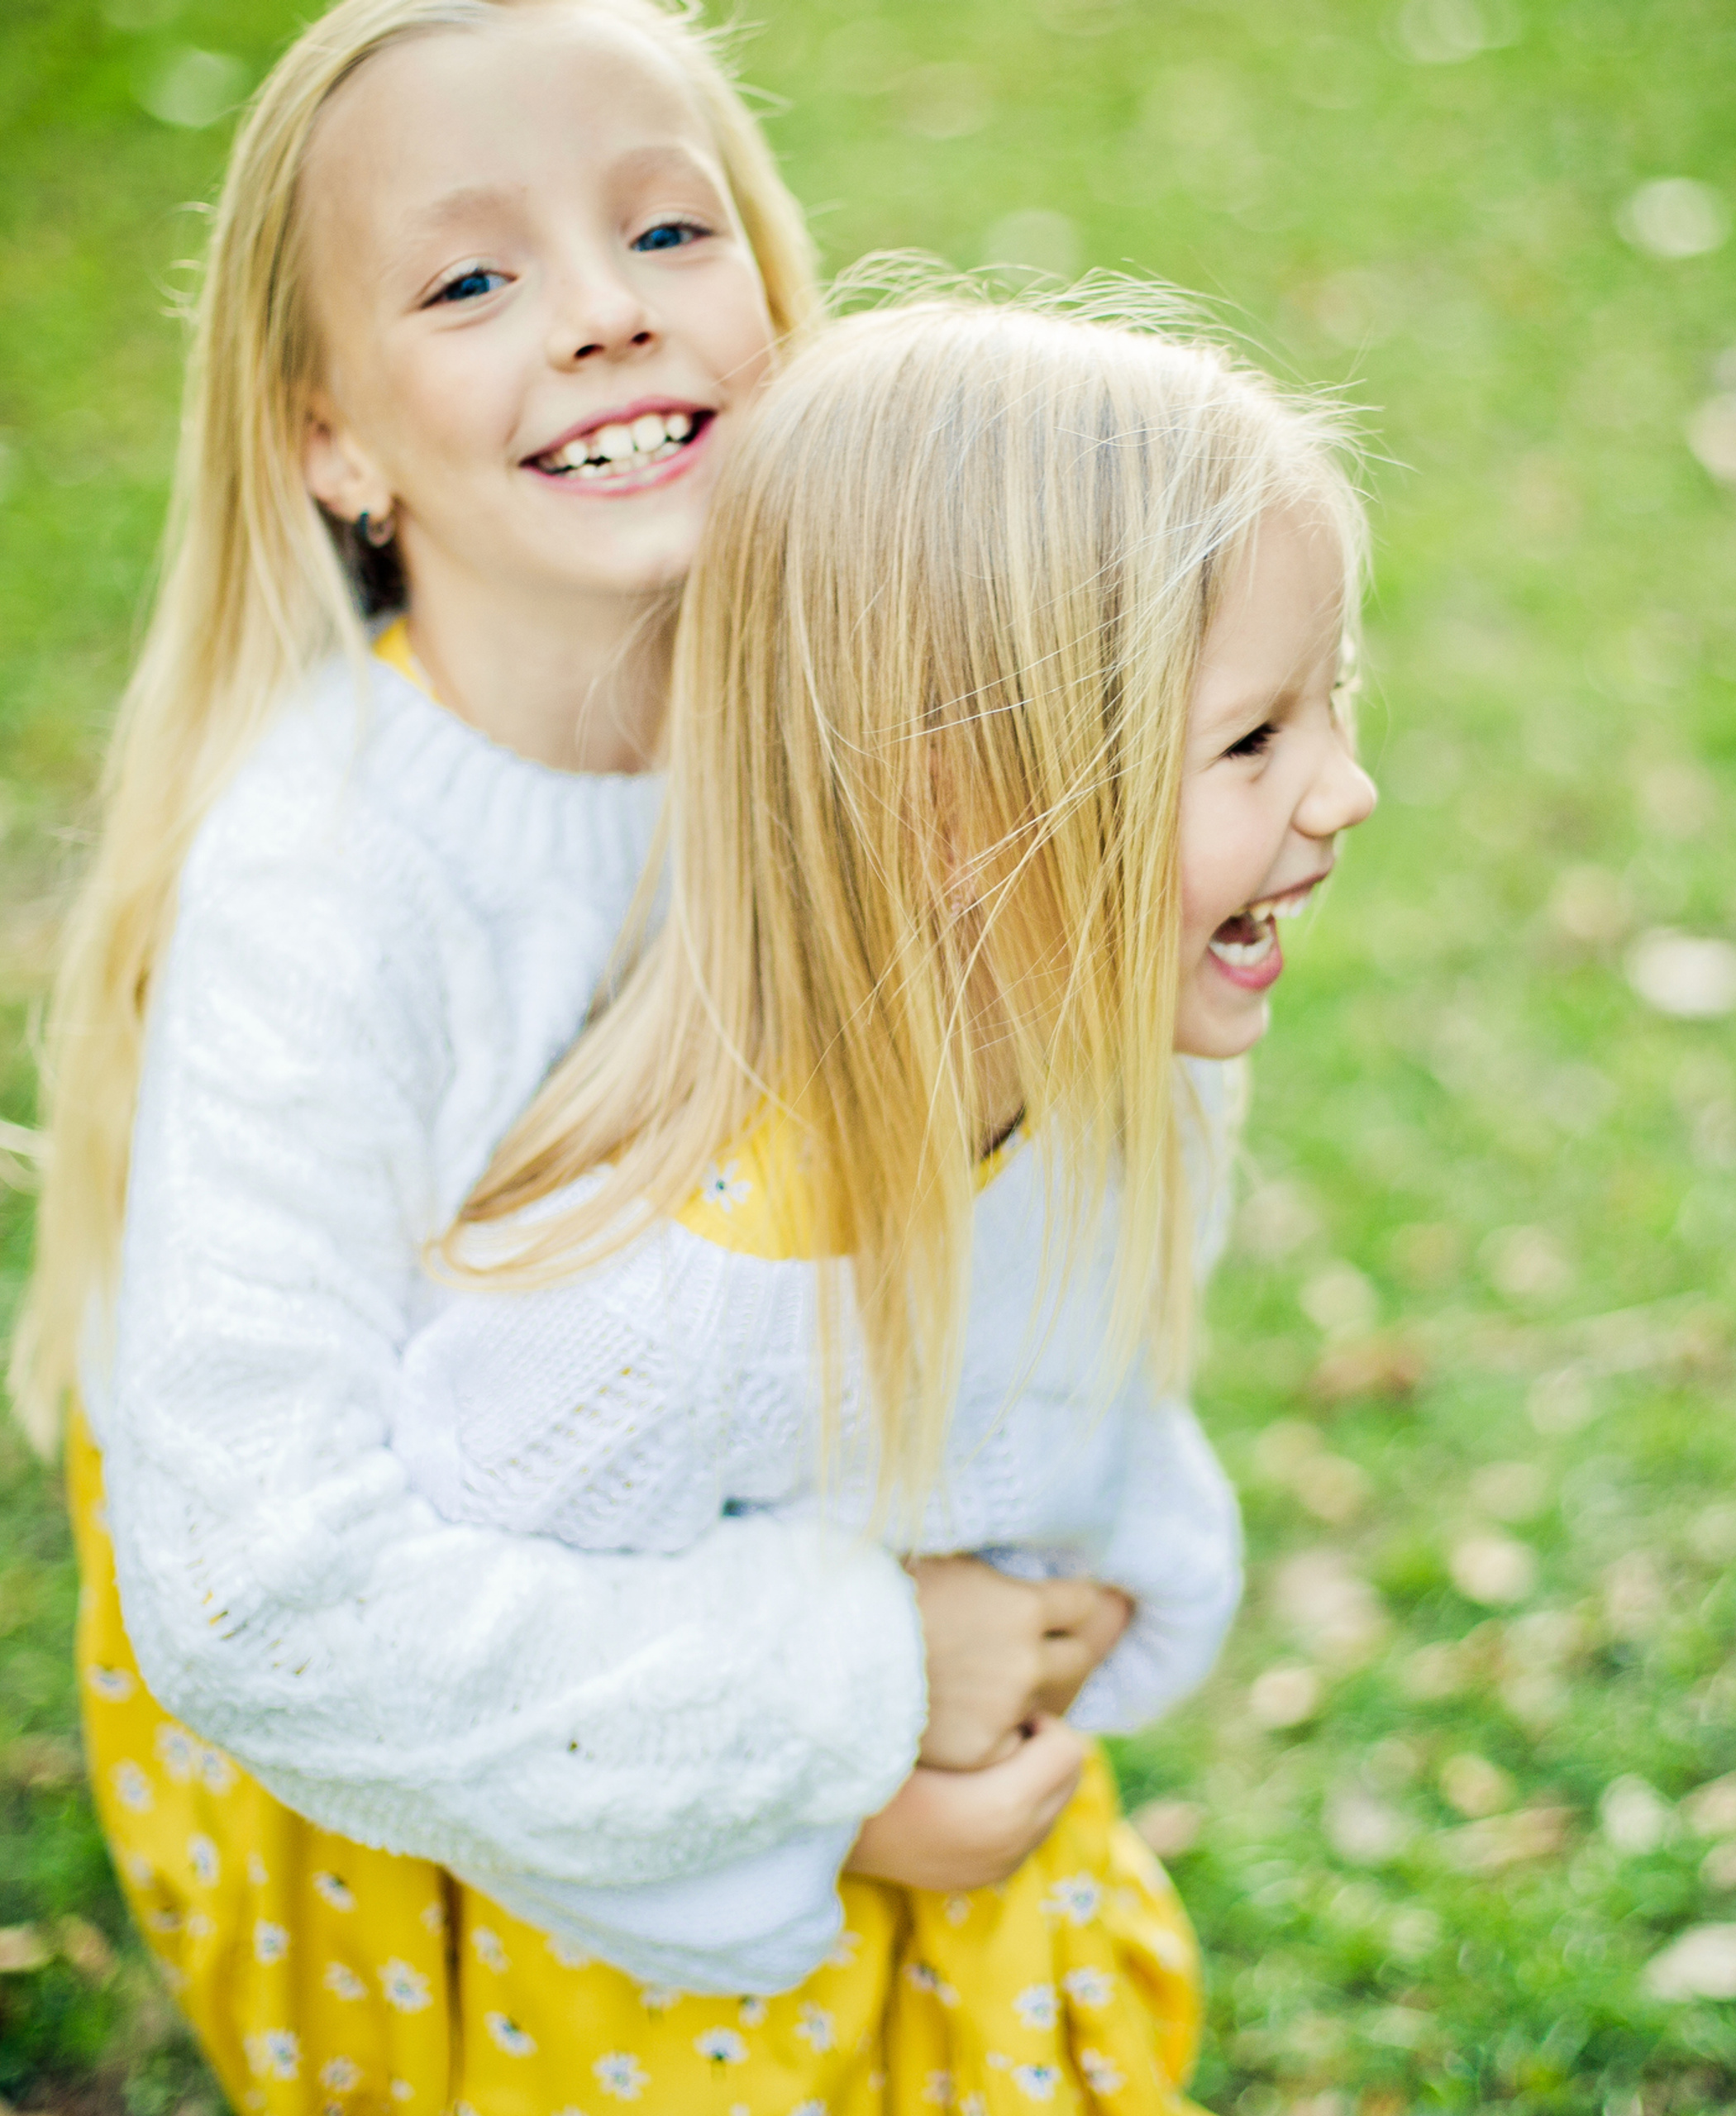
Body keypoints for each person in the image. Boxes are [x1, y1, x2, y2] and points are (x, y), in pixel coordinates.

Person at [15, 2, 1123, 2104]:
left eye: (669, 233)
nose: (605, 314)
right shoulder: (325, 895)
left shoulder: (877, 746)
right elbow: (268, 1601)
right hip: (494, 1830)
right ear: (331, 436)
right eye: (469, 277)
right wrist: (854, 1724)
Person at [381, 293, 1379, 2106]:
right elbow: (482, 1706)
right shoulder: (659, 1306)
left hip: (973, 1942)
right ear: (954, 811)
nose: (1346, 786)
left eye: (1330, 704)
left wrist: (1099, 1610)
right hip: (693, 2031)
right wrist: (841, 1822)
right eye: (1249, 742)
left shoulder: (1112, 1082)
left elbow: (1073, 1426)